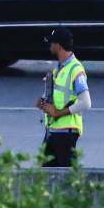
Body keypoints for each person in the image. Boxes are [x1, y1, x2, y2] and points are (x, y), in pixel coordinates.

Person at [35, 27, 90, 167]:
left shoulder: (75, 69)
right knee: (44, 176)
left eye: (52, 43)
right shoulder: (59, 69)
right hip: (54, 131)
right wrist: (43, 102)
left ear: (58, 45)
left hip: (66, 132)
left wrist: (57, 113)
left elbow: (86, 103)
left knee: (67, 179)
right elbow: (60, 95)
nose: (50, 46)